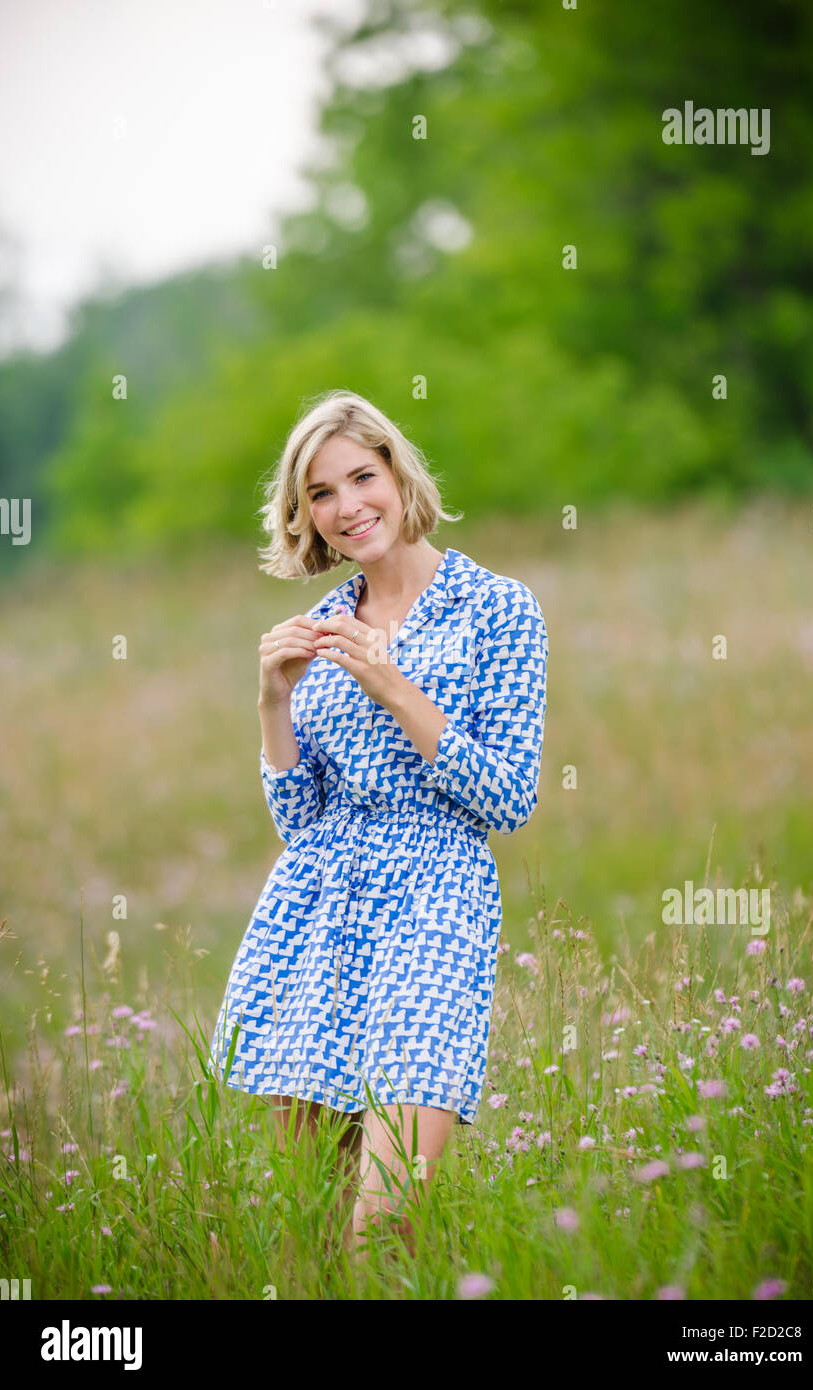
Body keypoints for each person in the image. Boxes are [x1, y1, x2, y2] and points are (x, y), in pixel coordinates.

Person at [210, 389, 548, 1259]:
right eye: (320, 493)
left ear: (399, 476)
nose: (347, 505)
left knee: (385, 1218)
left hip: (436, 900)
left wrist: (394, 687)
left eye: (362, 477)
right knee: (303, 1225)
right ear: (305, 516)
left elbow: (508, 797)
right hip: (315, 910)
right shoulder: (322, 629)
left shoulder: (497, 607)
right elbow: (299, 819)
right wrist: (272, 701)